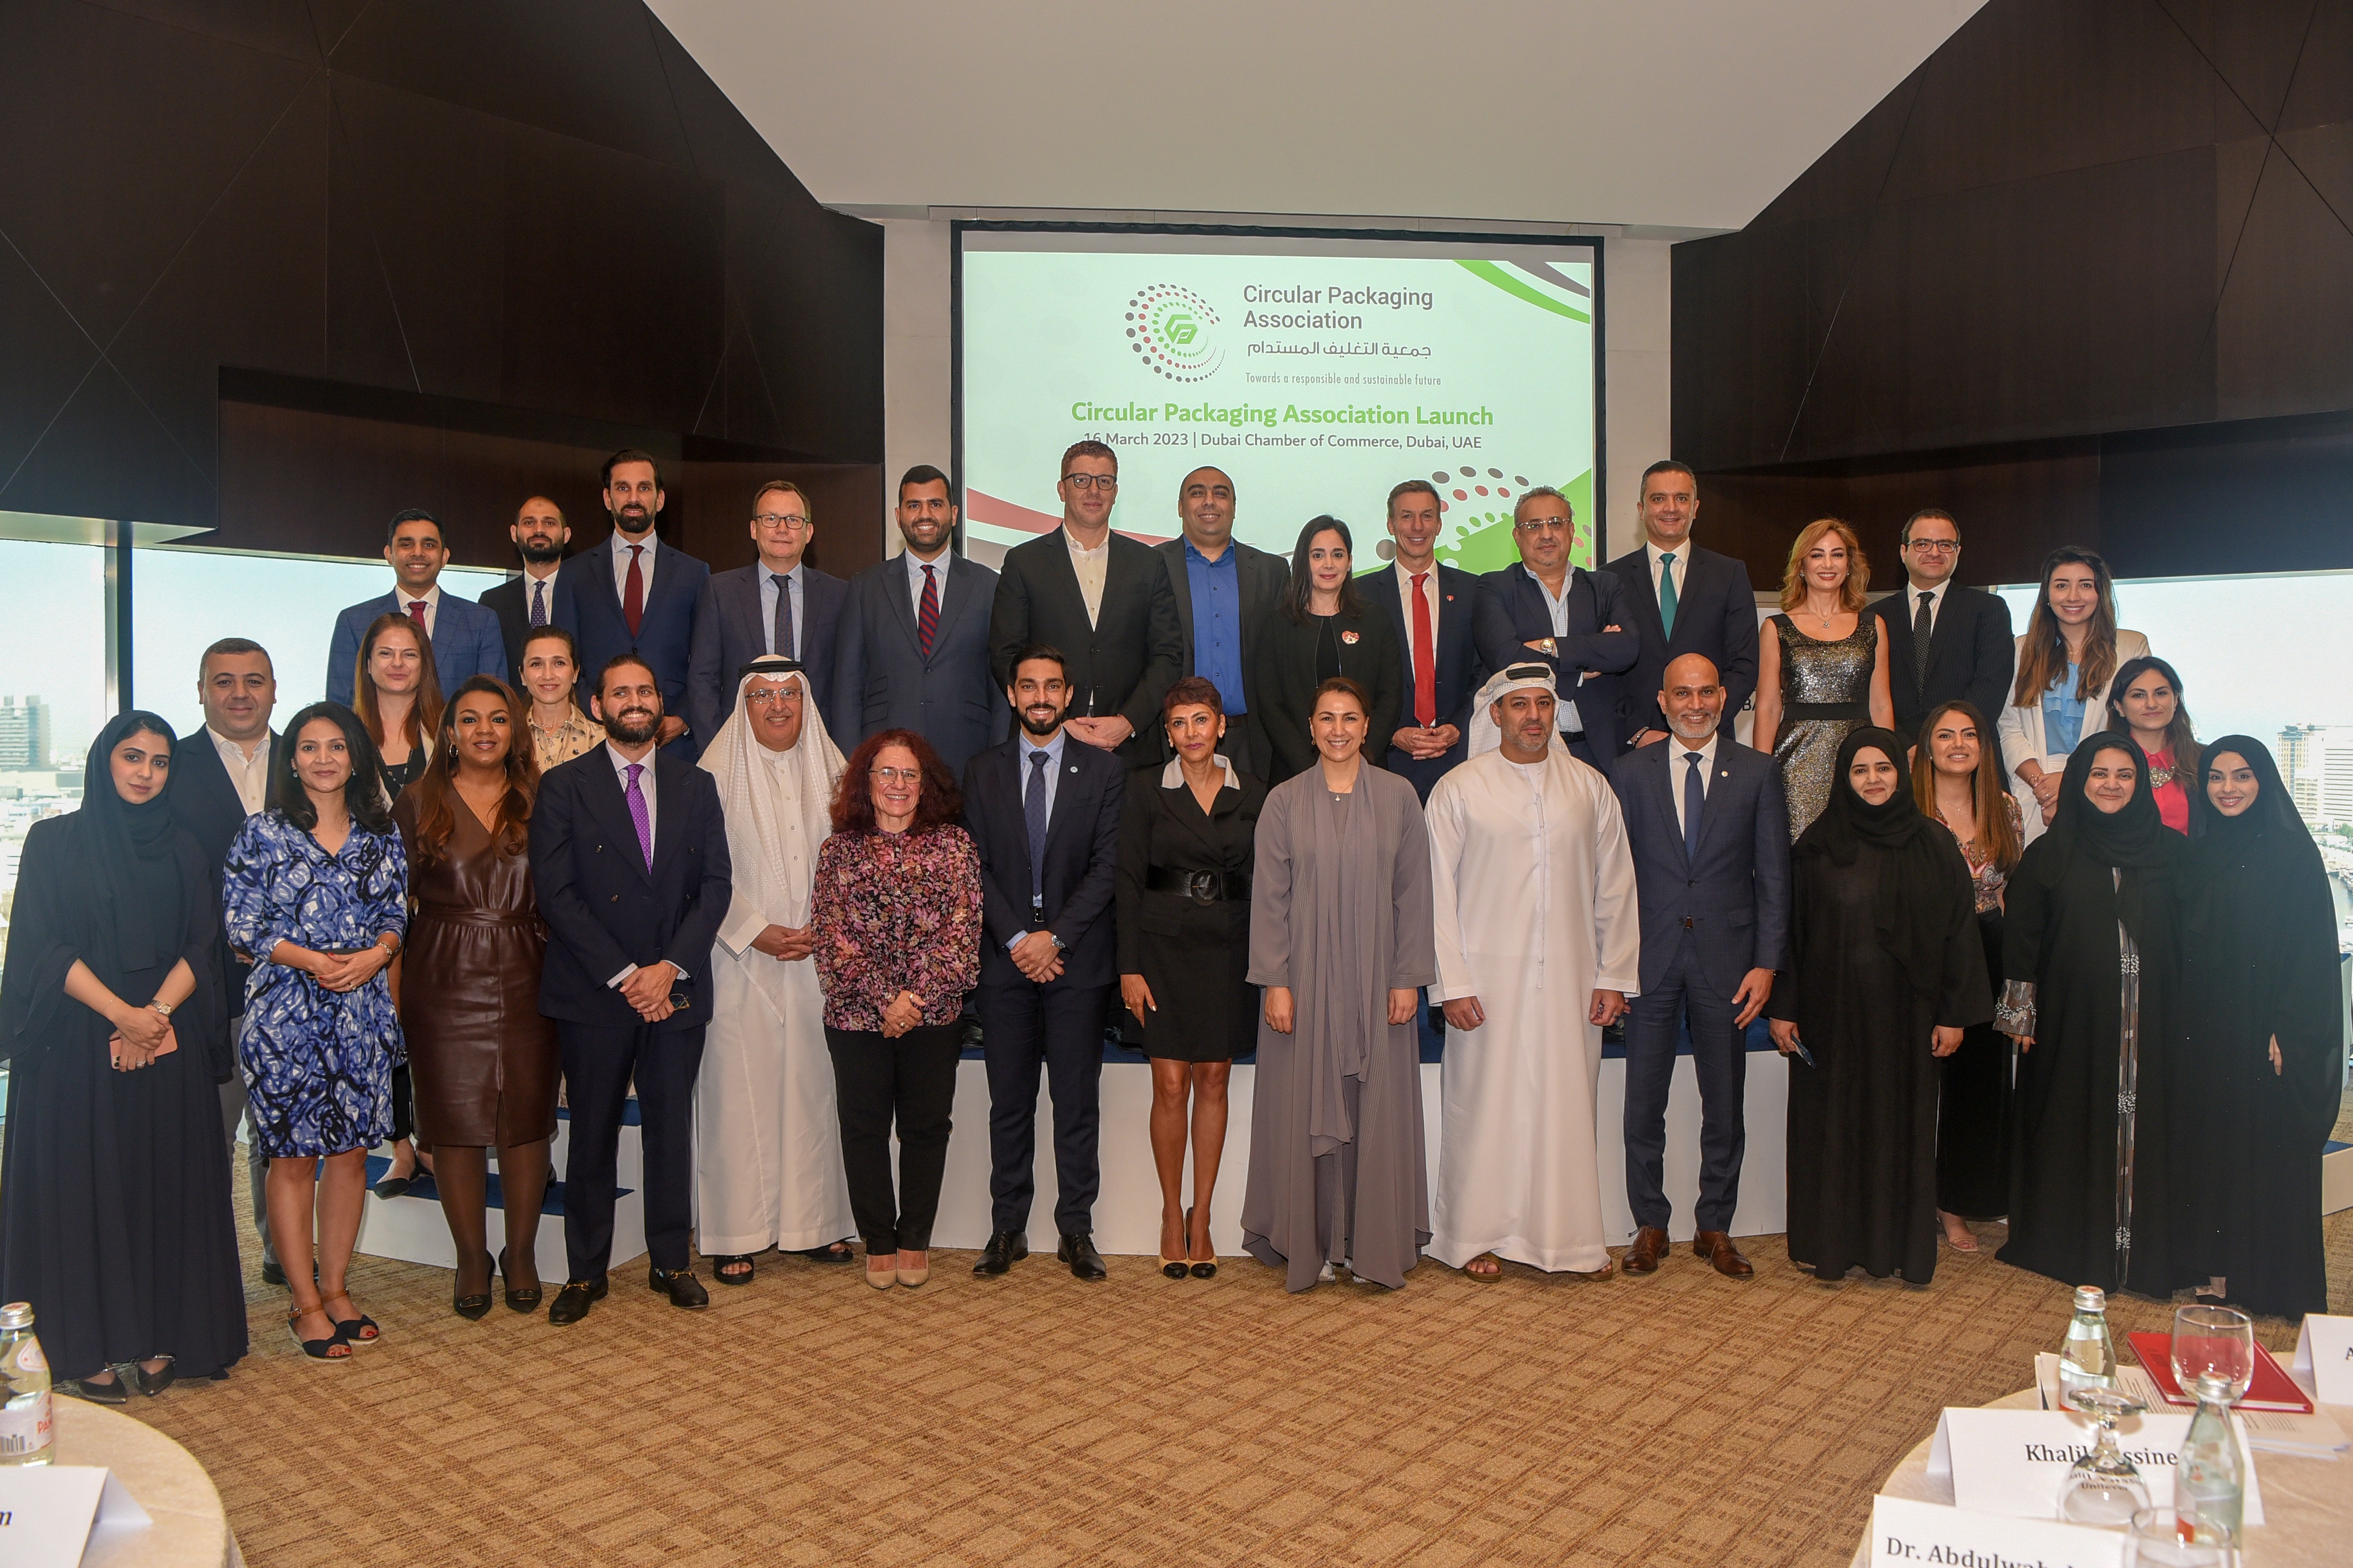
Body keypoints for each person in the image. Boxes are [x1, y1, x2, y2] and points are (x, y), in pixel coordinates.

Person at [1, 714, 246, 1399]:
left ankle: (162, 1332)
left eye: (161, 761)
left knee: (158, 1187)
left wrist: (158, 1016)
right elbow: (42, 949)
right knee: (84, 1193)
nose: (145, 772)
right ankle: (86, 1345)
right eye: (132, 756)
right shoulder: (55, 841)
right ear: (103, 761)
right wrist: (123, 1016)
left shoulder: (187, 848)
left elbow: (203, 946)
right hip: (76, 1046)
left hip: (167, 1041)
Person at [531, 654, 733, 1322]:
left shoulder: (696, 785)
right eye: (621, 692)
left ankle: (671, 1261)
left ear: (659, 702)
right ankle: (585, 1273)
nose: (635, 701)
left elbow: (716, 889)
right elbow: (556, 895)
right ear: (598, 706)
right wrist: (626, 974)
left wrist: (668, 968)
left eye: (646, 690)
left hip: (673, 987)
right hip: (595, 991)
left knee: (671, 1132)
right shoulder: (563, 787)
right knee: (591, 1132)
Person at [1426, 665, 1638, 1280]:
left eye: (1541, 704)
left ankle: (1568, 1240)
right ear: (1494, 714)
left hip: (1572, 982)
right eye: (1517, 705)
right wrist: (1452, 984)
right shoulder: (1458, 788)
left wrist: (1613, 973)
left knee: (1565, 1106)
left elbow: (1616, 886)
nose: (1531, 716)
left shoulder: (1589, 786)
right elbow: (1434, 895)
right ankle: (1472, 1237)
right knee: (1483, 1110)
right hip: (1484, 988)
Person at [1767, 729, 1991, 1284]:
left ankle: (1897, 1249)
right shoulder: (1814, 848)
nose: (1872, 779)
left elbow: (1959, 936)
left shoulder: (1934, 847)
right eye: (1860, 770)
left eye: (1882, 768)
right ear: (1844, 778)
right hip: (1831, 1017)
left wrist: (1952, 1014)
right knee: (1832, 1128)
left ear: (1900, 773)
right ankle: (1832, 1246)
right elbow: (1790, 937)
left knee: (1901, 1129)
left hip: (1907, 1022)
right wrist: (1783, 1008)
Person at [223, 701, 408, 1360]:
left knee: (352, 1155)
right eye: (308, 746)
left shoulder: (380, 833)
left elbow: (395, 914)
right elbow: (242, 925)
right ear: (291, 758)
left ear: (356, 756)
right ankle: (303, 1302)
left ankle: (336, 1287)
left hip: (361, 1014)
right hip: (285, 1017)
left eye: (336, 746)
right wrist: (313, 960)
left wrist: (376, 954)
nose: (323, 758)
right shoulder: (262, 833)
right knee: (294, 1157)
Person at [1241, 677, 1437, 1292]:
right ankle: (1313, 1242)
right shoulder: (1282, 801)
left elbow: (1413, 894)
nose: (1337, 729)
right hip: (1301, 987)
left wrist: (1408, 977)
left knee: (1375, 1107)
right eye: (1325, 717)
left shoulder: (1400, 796)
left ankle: (1369, 1241)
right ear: (1308, 726)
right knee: (1301, 1112)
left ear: (1366, 724)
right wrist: (1274, 981)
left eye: (1349, 717)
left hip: (1380, 983)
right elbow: (1268, 901)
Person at [1609, 653, 1790, 1278]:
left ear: (1722, 698)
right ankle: (1649, 1223)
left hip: (1729, 964)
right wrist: (1612, 964)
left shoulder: (1758, 773)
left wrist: (1766, 963)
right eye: (1681, 693)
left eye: (1705, 692)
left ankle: (1714, 1222)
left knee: (1725, 1103)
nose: (1694, 704)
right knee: (1641, 1105)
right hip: (1649, 960)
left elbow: (1773, 876)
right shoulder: (1627, 773)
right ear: (1661, 701)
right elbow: (1610, 879)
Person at [391, 677, 560, 1317]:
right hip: (442, 975)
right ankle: (470, 1255)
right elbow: (389, 908)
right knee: (454, 1125)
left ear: (514, 730)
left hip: (528, 970)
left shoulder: (545, 796)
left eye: (497, 718)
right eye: (469, 719)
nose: (484, 729)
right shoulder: (416, 800)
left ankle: (520, 1251)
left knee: (525, 1120)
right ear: (449, 732)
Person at [1995, 736, 2186, 1295]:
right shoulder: (2048, 854)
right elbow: (2021, 939)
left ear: (2139, 783)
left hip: (2154, 1024)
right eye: (2098, 773)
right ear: (2079, 780)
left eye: (2123, 774)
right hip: (2069, 1026)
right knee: (2069, 1122)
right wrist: (2018, 1019)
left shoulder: (2172, 853)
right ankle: (2069, 1245)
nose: (2110, 783)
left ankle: (2148, 1253)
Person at [961, 645, 1126, 1280]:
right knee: (1009, 1102)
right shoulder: (981, 770)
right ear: (1010, 695)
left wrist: (1051, 938)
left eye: (1051, 687)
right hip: (1005, 966)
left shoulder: (1104, 772)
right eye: (1027, 686)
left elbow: (1106, 868)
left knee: (1075, 1100)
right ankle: (1007, 1228)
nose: (1039, 697)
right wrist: (1017, 940)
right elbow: (973, 865)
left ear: (1068, 694)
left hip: (1076, 964)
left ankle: (1075, 1230)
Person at [693, 658, 858, 1284]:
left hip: (821, 960)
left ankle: (814, 1225)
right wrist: (752, 931)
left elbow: (859, 857)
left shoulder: (839, 771)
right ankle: (736, 1231)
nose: (778, 705)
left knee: (815, 1092)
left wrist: (830, 923)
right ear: (745, 702)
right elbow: (700, 870)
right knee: (739, 1098)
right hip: (739, 961)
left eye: (790, 693)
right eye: (763, 694)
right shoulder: (711, 772)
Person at [2176, 738, 2344, 1319]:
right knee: (2219, 1147)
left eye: (2242, 776)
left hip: (2265, 1026)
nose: (2227, 788)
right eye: (2217, 777)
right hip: (2212, 1025)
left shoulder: (2290, 853)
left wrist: (2286, 1026)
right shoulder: (2202, 851)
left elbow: (2309, 950)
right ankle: (2223, 1273)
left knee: (2266, 1150)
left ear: (2264, 782)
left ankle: (2274, 1283)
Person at [811, 729, 984, 1290]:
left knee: (925, 1127)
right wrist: (885, 1000)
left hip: (931, 1017)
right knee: (862, 1128)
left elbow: (963, 935)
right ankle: (878, 1242)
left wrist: (911, 1001)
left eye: (909, 774)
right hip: (856, 1017)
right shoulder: (838, 849)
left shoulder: (954, 845)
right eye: (886, 772)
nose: (898, 784)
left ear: (925, 784)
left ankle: (914, 1239)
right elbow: (831, 936)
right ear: (866, 781)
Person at [1116, 677, 1267, 1278]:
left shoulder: (1255, 792)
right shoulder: (1142, 789)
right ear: (1168, 731)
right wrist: (1127, 966)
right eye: (1178, 724)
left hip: (1229, 948)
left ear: (1221, 725)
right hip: (1161, 950)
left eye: (1200, 720)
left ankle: (1201, 1217)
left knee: (1212, 1077)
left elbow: (1267, 883)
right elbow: (1125, 882)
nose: (1190, 733)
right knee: (1170, 1084)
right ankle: (1167, 1215)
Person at [168, 637, 280, 1283]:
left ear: (274, 688)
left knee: (281, 1136)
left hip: (292, 987)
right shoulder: (172, 765)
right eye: (224, 681)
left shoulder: (307, 755)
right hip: (205, 988)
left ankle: (280, 1249)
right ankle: (204, 1266)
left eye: (253, 680)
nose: (240, 693)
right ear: (203, 689)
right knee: (208, 1132)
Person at [986, 439, 1184, 766]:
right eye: (1081, 480)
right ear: (1062, 489)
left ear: (1115, 491)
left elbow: (1168, 654)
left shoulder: (1148, 563)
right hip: (1047, 744)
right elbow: (1006, 654)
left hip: (1131, 751)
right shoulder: (1024, 562)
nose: (1094, 490)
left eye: (1104, 481)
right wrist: (1055, 724)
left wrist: (1129, 721)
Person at [1912, 700, 2024, 1252]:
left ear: (1982, 746)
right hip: (1927, 953)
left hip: (1990, 952)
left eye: (1968, 734)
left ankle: (1956, 1202)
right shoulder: (1909, 807)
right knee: (1921, 1085)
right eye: (1944, 734)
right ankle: (1917, 1197)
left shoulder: (2003, 805)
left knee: (1977, 1087)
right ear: (1925, 746)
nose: (1957, 743)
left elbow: (2008, 889)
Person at [350, 611, 443, 1197]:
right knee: (383, 1028)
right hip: (364, 910)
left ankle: (436, 1140)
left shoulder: (444, 727)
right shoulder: (345, 732)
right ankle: (401, 1147)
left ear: (423, 663)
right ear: (367, 664)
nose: (397, 664)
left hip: (433, 904)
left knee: (429, 1025)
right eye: (385, 653)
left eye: (408, 653)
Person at [834, 465, 1008, 776]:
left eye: (935, 504)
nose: (925, 515)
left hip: (969, 759)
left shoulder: (989, 586)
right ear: (899, 515)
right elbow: (848, 686)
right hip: (885, 765)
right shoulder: (865, 588)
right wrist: (854, 764)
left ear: (954, 514)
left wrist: (999, 763)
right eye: (914, 505)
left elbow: (1000, 689)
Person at [554, 449, 712, 757]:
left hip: (673, 744)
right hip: (595, 739)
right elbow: (566, 658)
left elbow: (706, 663)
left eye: (644, 488)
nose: (634, 498)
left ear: (660, 499)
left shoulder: (694, 573)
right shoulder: (574, 574)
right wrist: (599, 714)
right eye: (623, 488)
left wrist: (681, 719)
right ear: (607, 498)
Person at [1996, 547, 2149, 845]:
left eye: (2086, 585)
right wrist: (2043, 784)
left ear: (2100, 592)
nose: (2073, 596)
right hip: (2034, 786)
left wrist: (2070, 781)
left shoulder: (2131, 647)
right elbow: (2008, 726)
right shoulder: (2021, 650)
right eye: (2062, 585)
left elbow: (2134, 725)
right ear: (2047, 594)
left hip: (2103, 782)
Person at [1473, 488, 1637, 767]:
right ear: (1517, 536)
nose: (1546, 534)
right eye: (1534, 526)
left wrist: (1550, 646)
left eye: (1556, 523)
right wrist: (1582, 672)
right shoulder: (1495, 588)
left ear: (1572, 531)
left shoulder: (1605, 586)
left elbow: (1626, 648)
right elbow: (1506, 661)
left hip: (1598, 750)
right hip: (1524, 752)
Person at [1753, 517, 1893, 838]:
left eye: (1837, 554)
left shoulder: (1874, 625)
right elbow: (1768, 707)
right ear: (1801, 565)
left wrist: (1890, 764)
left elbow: (1881, 705)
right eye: (1817, 555)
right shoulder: (1776, 628)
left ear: (1849, 564)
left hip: (1861, 761)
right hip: (1796, 764)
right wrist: (1759, 777)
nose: (1828, 564)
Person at [1603, 461, 1760, 746]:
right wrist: (1636, 732)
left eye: (1682, 498)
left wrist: (1704, 726)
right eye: (1659, 499)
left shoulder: (1729, 574)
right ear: (1641, 510)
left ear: (1695, 508)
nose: (1671, 508)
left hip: (1712, 741)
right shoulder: (1608, 579)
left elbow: (1744, 665)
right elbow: (1602, 672)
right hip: (1633, 747)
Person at [1152, 466, 1290, 779]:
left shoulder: (1272, 572)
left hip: (1252, 741)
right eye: (1198, 492)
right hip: (1174, 741)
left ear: (1234, 507)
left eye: (1220, 493)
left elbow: (1284, 661)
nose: (1209, 501)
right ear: (1180, 506)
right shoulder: (1150, 565)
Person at [689, 479, 850, 745]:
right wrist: (716, 749)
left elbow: (848, 684)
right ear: (754, 529)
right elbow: (702, 679)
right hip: (739, 746)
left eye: (793, 520)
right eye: (771, 519)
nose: (782, 529)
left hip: (817, 746)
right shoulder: (720, 592)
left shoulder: (839, 595)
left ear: (809, 532)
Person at [1363, 479, 1485, 798]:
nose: (1417, 526)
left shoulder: (1474, 592)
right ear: (1390, 524)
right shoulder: (1360, 596)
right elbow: (1354, 679)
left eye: (1427, 516)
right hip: (1386, 760)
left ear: (1440, 523)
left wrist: (1459, 726)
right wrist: (1390, 732)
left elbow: (1484, 670)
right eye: (1406, 516)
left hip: (1459, 758)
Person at [1258, 517, 1402, 783]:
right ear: (1303, 562)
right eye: (1318, 555)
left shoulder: (1376, 621)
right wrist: (1308, 767)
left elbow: (1390, 696)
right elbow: (1270, 705)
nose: (1329, 564)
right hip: (1295, 773)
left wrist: (1362, 756)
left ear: (1349, 562)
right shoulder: (1278, 624)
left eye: (1338, 554)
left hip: (1366, 769)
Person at [325, 508, 506, 707]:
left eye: (429, 545)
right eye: (406, 544)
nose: (418, 553)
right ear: (389, 554)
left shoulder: (480, 620)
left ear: (445, 556)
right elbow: (340, 707)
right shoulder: (353, 621)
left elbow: (494, 703)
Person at [1873, 509, 2015, 740]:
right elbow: (1871, 696)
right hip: (1896, 754)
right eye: (1922, 544)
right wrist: (1901, 746)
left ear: (1958, 552)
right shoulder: (1875, 616)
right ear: (1903, 551)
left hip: (1965, 750)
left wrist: (1947, 741)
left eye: (1945, 545)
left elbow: (1990, 687)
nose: (1934, 552)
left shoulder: (1989, 610)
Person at [479, 495, 571, 686]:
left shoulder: (586, 596)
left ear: (566, 534)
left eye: (549, 523)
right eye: (529, 523)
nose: (539, 530)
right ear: (514, 533)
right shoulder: (492, 602)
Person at [2103, 655, 2197, 834]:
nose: (2151, 704)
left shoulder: (2204, 761)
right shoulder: (2099, 763)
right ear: (2119, 707)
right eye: (2139, 695)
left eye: (2161, 693)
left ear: (2175, 701)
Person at [517, 625, 601, 769]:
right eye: (536, 664)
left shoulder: (603, 740)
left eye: (559, 663)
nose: (548, 675)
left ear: (575, 672)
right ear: (523, 676)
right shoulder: (508, 740)